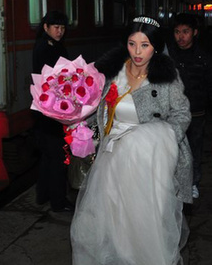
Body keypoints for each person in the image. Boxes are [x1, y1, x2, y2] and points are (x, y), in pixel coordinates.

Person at [70, 16, 194, 265]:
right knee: (110, 222)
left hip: (150, 163)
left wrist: (162, 139)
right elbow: (96, 112)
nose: (137, 52)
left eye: (145, 45)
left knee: (144, 224)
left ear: (155, 46)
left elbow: (182, 115)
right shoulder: (111, 72)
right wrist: (81, 130)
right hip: (112, 159)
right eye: (132, 43)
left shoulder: (167, 76)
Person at [168, 13, 212, 199]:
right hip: (172, 114)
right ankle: (172, 182)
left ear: (195, 32)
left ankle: (193, 183)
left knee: (194, 149)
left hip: (196, 113)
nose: (181, 36)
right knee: (172, 149)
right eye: (177, 32)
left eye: (185, 32)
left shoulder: (205, 57)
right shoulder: (168, 56)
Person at [32, 10, 74, 212]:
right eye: (56, 27)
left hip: (45, 109)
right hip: (52, 109)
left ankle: (43, 195)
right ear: (46, 27)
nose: (60, 31)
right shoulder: (48, 48)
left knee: (49, 155)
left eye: (63, 28)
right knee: (57, 155)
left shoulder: (48, 45)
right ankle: (58, 201)